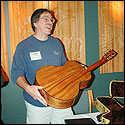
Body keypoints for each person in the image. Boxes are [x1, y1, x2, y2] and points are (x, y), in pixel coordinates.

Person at [11, 8, 74, 124]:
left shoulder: (56, 43)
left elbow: (65, 65)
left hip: (60, 99)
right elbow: (16, 73)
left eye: (51, 20)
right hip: (37, 102)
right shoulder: (23, 46)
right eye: (46, 19)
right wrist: (28, 88)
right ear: (35, 23)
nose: (50, 22)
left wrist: (78, 68)